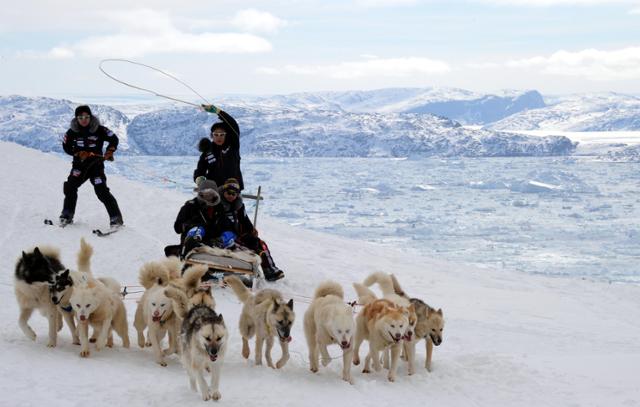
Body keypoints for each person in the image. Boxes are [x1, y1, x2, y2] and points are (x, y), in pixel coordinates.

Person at [60, 105, 123, 227]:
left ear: (90, 117)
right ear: (76, 119)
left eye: (86, 117)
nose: (84, 119)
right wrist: (77, 153)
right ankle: (67, 214)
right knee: (70, 187)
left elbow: (114, 139)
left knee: (102, 191)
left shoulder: (99, 130)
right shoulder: (72, 132)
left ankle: (116, 219)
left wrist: (110, 151)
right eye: (80, 117)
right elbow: (66, 147)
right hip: (79, 166)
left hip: (96, 166)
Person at [218, 178, 285, 281]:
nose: (231, 196)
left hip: (237, 234)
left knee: (259, 243)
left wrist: (251, 229)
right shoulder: (217, 204)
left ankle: (270, 270)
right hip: (224, 237)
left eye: (234, 193)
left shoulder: (238, 205)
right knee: (245, 247)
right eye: (228, 193)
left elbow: (244, 219)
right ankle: (247, 269)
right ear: (223, 191)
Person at [194, 105, 244, 191]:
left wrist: (219, 112)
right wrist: (199, 178)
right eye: (216, 135)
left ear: (226, 135)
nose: (219, 137)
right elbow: (200, 169)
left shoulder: (233, 145)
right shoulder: (207, 150)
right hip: (213, 190)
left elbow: (233, 125)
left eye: (222, 135)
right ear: (212, 136)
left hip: (232, 190)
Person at [172, 179, 225, 258]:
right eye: (205, 194)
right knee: (197, 230)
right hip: (192, 241)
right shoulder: (190, 206)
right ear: (200, 194)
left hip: (211, 242)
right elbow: (177, 227)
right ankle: (185, 254)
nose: (208, 197)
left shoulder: (219, 207)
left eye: (211, 194)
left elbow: (223, 225)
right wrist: (189, 226)